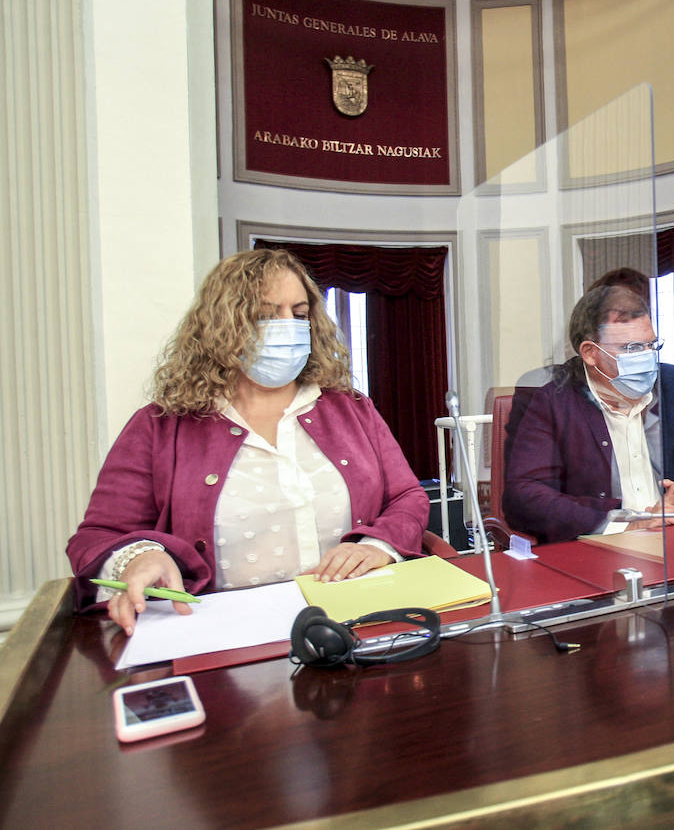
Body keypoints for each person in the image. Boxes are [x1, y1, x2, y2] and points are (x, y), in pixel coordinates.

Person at [67, 250, 428, 636]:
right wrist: (139, 558)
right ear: (223, 325)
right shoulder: (158, 426)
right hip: (223, 636)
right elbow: (96, 537)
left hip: (355, 623)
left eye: (299, 312)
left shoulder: (351, 408)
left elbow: (407, 497)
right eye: (265, 314)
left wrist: (378, 546)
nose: (288, 326)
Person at [504, 285, 674, 542]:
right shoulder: (553, 401)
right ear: (591, 354)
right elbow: (524, 497)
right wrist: (626, 522)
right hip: (598, 549)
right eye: (632, 348)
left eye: (651, 345)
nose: (647, 357)